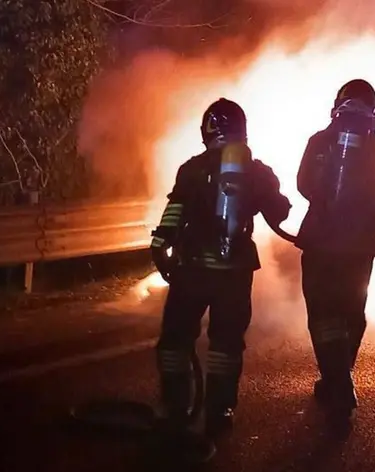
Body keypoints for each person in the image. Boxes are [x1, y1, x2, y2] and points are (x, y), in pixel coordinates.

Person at [149, 98, 291, 458]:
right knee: (225, 344)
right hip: (234, 272)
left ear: (206, 131)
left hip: (191, 270)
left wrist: (160, 243)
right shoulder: (256, 171)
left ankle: (175, 404)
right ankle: (219, 409)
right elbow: (280, 209)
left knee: (175, 341)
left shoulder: (191, 168)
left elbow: (175, 208)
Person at [295, 79, 375, 428]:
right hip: (359, 246)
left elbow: (303, 184)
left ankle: (337, 381)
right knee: (352, 312)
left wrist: (328, 202)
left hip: (320, 241)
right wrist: (357, 208)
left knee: (323, 314)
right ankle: (341, 377)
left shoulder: (318, 142)